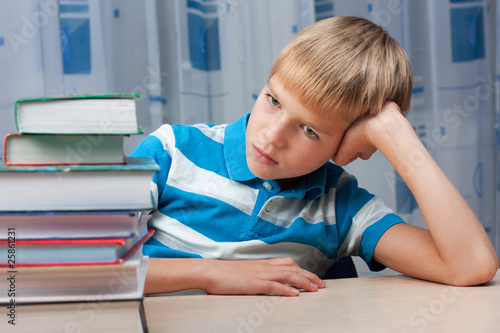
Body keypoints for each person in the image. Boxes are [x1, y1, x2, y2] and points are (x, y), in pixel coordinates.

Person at [130, 16, 498, 296]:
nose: (272, 137)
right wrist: (211, 273)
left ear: (349, 146)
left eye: (309, 130)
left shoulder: (341, 208)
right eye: (273, 100)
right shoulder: (172, 151)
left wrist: (394, 132)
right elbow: (84, 268)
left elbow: (471, 265)